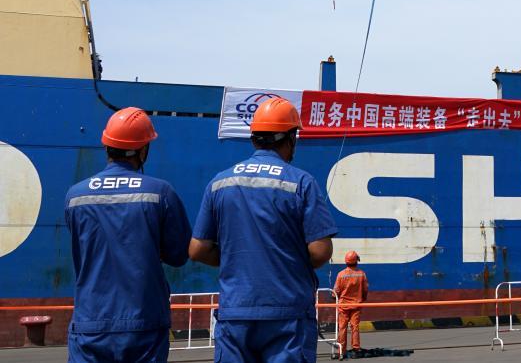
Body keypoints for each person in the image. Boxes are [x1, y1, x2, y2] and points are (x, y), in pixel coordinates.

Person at [189, 96, 336, 363]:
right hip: (287, 315)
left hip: (236, 313)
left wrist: (239, 259)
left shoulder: (219, 183)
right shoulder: (301, 182)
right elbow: (320, 251)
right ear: (290, 138)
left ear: (254, 138)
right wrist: (283, 260)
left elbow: (197, 250)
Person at [64, 107, 191, 363]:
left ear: (106, 146)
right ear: (143, 150)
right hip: (144, 322)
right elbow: (179, 255)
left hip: (90, 322)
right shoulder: (160, 193)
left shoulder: (75, 196)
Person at [333, 250, 369, 359]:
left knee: (342, 328)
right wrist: (362, 299)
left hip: (343, 306)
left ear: (346, 261)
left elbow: (336, 291)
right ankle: (356, 349)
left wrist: (335, 297)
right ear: (356, 261)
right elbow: (365, 290)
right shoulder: (361, 274)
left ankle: (341, 350)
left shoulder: (341, 274)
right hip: (356, 305)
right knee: (355, 327)